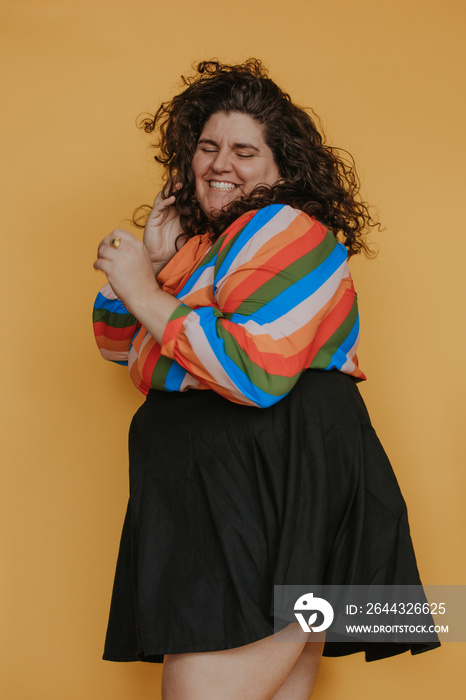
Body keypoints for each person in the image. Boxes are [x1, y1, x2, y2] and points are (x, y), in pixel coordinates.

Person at [93, 59, 439, 700]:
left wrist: (147, 289)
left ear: (282, 168)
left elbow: (255, 373)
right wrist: (159, 263)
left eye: (244, 151)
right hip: (226, 485)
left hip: (270, 478)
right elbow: (119, 347)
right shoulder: (204, 247)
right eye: (207, 146)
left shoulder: (283, 227)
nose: (220, 163)